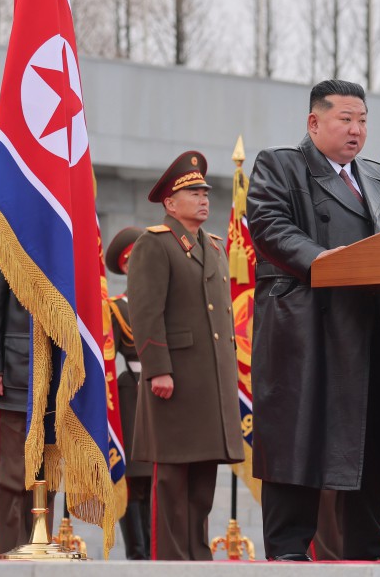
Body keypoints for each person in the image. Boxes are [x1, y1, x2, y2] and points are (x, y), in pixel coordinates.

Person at [246, 79, 380, 561]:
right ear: (314, 122)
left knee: (369, 435)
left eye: (362, 120)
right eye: (345, 119)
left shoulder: (379, 177)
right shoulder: (281, 165)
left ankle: (369, 549)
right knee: (298, 436)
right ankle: (288, 552)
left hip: (372, 324)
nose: (356, 130)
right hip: (309, 326)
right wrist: (323, 259)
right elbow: (269, 225)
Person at [127, 151, 244, 561]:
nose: (203, 198)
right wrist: (158, 369)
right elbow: (146, 312)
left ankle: (197, 558)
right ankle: (172, 561)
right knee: (173, 478)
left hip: (209, 382)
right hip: (174, 379)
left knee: (202, 480)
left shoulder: (212, 246)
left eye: (205, 192)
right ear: (170, 203)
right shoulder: (154, 243)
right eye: (193, 193)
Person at [0, 249, 56, 555]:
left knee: (47, 478)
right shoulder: (4, 240)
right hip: (16, 375)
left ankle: (38, 550)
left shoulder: (60, 240)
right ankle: (10, 556)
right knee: (12, 475)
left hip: (57, 379)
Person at [104, 226, 151, 560]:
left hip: (172, 397)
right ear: (124, 267)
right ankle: (138, 555)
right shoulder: (117, 308)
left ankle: (160, 554)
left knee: (163, 479)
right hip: (134, 394)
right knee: (134, 479)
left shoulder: (171, 302)